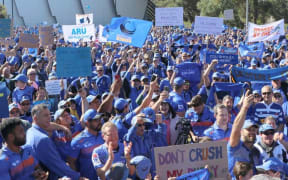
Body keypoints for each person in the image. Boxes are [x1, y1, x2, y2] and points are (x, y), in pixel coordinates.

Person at [26, 104, 82, 179]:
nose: (49, 117)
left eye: (49, 114)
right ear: (36, 119)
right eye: (45, 115)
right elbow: (57, 165)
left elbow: (48, 125)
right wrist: (78, 177)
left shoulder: (30, 131)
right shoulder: (43, 139)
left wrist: (63, 128)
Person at [227, 91, 261, 179]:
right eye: (249, 129)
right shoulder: (235, 146)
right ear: (241, 132)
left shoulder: (256, 151)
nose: (252, 132)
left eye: (254, 130)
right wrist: (244, 108)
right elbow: (236, 128)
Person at [68, 109, 104, 180]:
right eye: (96, 120)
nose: (100, 122)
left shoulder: (104, 135)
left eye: (100, 119)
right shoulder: (77, 140)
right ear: (87, 123)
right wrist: (78, 178)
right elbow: (71, 162)